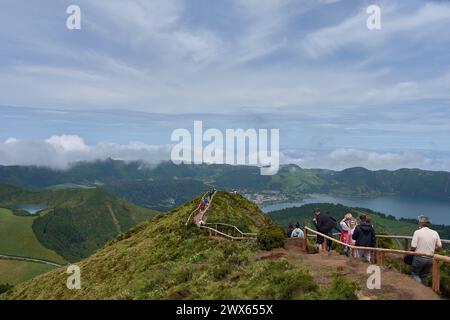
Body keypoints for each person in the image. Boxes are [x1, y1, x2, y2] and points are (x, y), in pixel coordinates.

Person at [410, 215, 442, 283]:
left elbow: (413, 246)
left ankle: (418, 289)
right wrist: (434, 250)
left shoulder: (417, 232)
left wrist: (411, 253)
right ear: (428, 224)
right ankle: (424, 289)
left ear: (421, 223)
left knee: (415, 274)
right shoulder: (435, 233)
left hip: (419, 257)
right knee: (424, 275)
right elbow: (439, 246)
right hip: (430, 258)